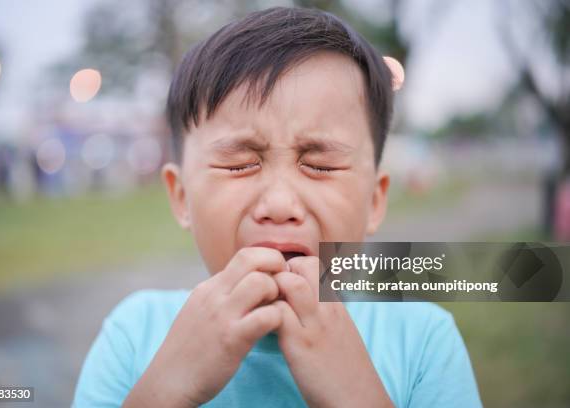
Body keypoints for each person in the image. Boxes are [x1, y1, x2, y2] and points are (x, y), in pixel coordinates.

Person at [72, 7, 482, 407]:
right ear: (181, 198)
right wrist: (167, 389)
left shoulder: (421, 341)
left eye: (320, 165)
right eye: (239, 164)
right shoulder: (135, 335)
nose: (280, 204)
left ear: (375, 201)